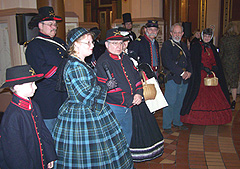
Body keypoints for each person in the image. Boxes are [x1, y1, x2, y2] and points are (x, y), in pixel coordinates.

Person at [52, 27, 133, 168]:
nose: (92, 45)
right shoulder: (75, 66)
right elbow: (85, 96)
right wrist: (105, 87)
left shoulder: (79, 63)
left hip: (84, 109)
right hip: (82, 113)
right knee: (90, 152)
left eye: (92, 42)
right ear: (75, 45)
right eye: (87, 43)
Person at [119, 29, 164, 162]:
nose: (124, 45)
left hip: (137, 95)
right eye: (121, 42)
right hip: (123, 98)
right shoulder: (113, 58)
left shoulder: (130, 55)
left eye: (126, 42)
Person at [0, 65, 57, 169]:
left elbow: (43, 131)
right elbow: (16, 154)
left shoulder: (33, 105)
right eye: (31, 84)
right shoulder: (12, 117)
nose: (35, 87)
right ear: (17, 87)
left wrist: (49, 156)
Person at [95, 28, 143, 145]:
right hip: (114, 107)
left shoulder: (126, 58)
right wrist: (130, 99)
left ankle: (125, 161)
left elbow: (137, 77)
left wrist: (138, 93)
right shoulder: (103, 61)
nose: (119, 46)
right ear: (106, 44)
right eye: (114, 43)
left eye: (121, 43)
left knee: (127, 136)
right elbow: (108, 88)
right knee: (113, 141)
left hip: (128, 106)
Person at [25, 6, 67, 133]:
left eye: (55, 24)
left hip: (63, 95)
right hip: (48, 98)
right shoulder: (34, 45)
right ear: (40, 25)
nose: (54, 27)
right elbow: (43, 71)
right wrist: (67, 72)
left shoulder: (59, 42)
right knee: (50, 134)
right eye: (50, 24)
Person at [180, 28, 232, 125]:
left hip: (211, 75)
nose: (207, 38)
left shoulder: (212, 47)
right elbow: (194, 61)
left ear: (211, 37)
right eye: (205, 36)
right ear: (202, 36)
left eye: (209, 36)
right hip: (200, 75)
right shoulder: (196, 46)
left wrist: (214, 67)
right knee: (199, 94)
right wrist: (203, 67)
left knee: (215, 95)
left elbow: (215, 60)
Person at [161, 23, 192, 134]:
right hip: (172, 77)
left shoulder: (183, 45)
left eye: (179, 32)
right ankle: (167, 125)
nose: (177, 34)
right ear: (171, 33)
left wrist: (189, 72)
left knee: (179, 102)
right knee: (170, 102)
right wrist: (181, 72)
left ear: (183, 33)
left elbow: (189, 60)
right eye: (175, 32)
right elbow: (167, 62)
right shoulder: (167, 45)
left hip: (184, 78)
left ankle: (177, 122)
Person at [219, 22, 240, 110]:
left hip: (225, 63)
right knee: (234, 83)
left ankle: (225, 101)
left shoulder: (223, 39)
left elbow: (221, 53)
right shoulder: (238, 39)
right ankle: (234, 101)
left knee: (225, 82)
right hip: (235, 63)